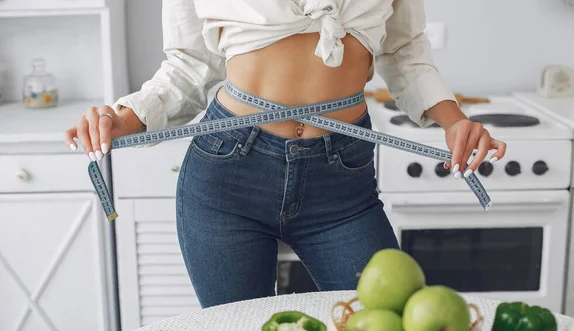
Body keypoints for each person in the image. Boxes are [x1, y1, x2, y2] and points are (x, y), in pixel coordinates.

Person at [64, 0, 506, 308]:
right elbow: (190, 64)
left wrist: (454, 121)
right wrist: (127, 117)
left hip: (342, 182)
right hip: (229, 174)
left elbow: (404, 50)